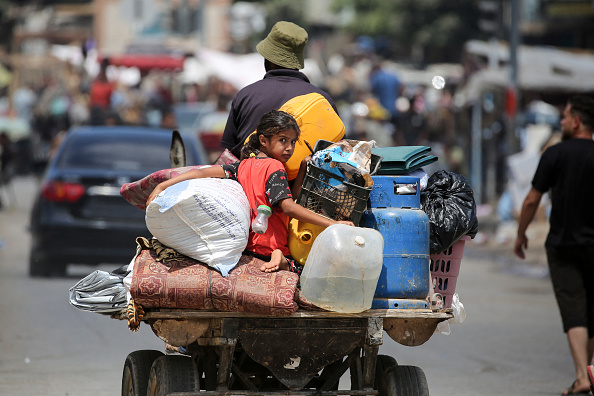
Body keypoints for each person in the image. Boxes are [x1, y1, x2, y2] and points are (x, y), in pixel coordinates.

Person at [148, 110, 353, 274]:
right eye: (283, 140)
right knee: (309, 270)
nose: (289, 147)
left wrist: (162, 186)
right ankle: (281, 260)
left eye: (292, 142)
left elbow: (200, 173)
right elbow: (289, 207)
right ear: (263, 140)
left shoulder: (242, 166)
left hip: (249, 246)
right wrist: (334, 224)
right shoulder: (275, 167)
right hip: (273, 245)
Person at [514, 95, 594, 396]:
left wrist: (521, 234)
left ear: (576, 121)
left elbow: (532, 199)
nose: (560, 123)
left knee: (574, 311)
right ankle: (587, 372)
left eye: (565, 117)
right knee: (590, 312)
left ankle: (581, 376)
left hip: (563, 245)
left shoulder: (555, 154)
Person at [220, 21, 339, 159]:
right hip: (303, 180)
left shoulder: (246, 96)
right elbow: (337, 156)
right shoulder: (323, 101)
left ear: (269, 59)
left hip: (249, 179)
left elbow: (229, 156)